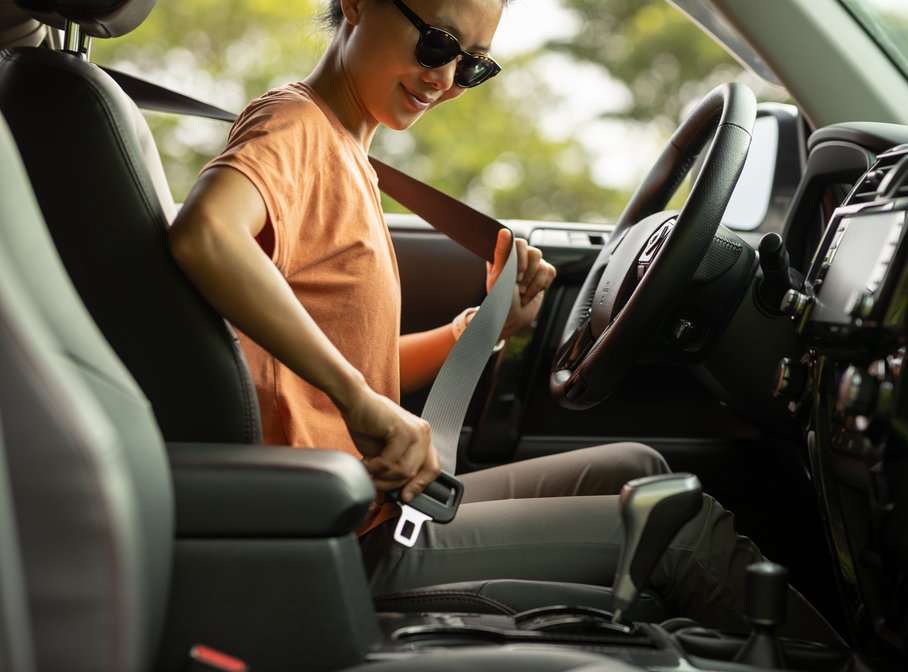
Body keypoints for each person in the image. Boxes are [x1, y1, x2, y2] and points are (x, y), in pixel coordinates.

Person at [168, 0, 842, 644]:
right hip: (343, 532)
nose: (446, 78)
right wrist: (358, 401)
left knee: (639, 466)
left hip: (367, 502)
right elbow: (206, 233)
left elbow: (355, 357)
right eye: (437, 42)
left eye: (474, 65)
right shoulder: (296, 128)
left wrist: (480, 330)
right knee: (679, 526)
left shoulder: (346, 148)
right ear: (355, 4)